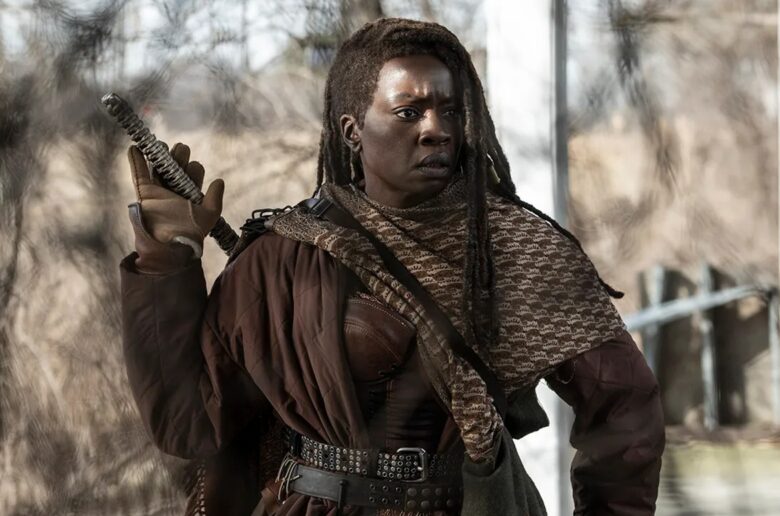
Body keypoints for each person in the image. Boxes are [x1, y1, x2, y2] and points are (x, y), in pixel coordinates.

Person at [120, 18, 665, 516]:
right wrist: (166, 257)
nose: (437, 129)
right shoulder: (286, 252)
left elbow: (625, 407)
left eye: (451, 110)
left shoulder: (517, 249)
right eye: (409, 112)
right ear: (352, 130)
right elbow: (190, 423)